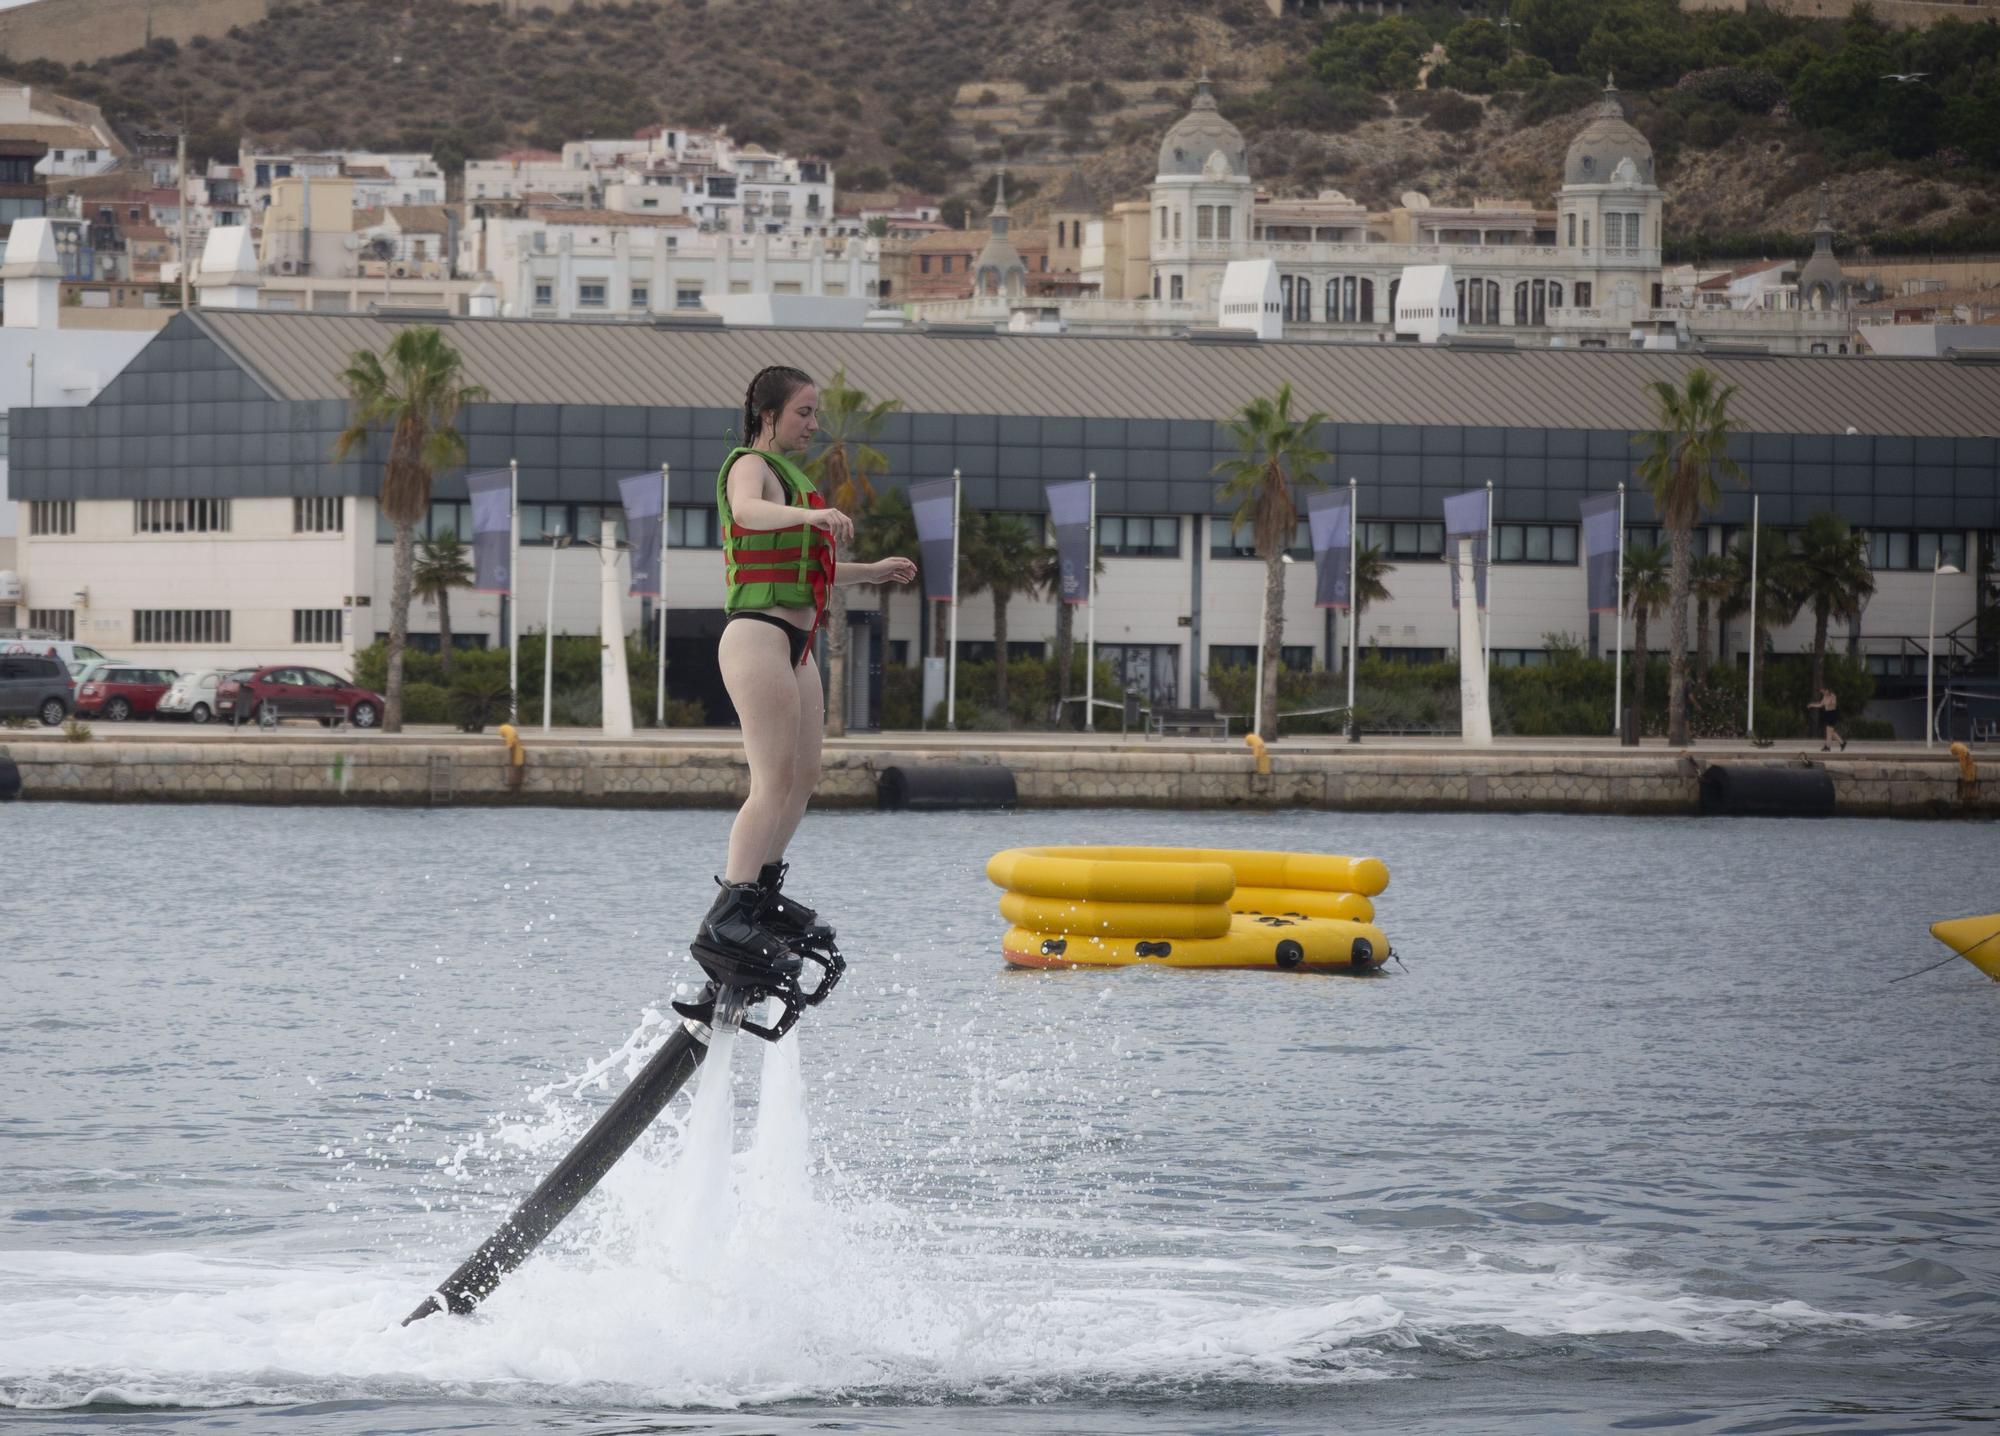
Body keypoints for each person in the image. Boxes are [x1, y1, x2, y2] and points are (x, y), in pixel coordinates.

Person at [689, 365, 917, 991]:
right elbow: (748, 513)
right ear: (769, 415)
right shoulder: (750, 465)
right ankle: (728, 915)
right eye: (805, 413)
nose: (814, 425)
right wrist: (813, 520)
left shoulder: (797, 480)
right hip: (758, 633)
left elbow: (809, 568)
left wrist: (870, 571)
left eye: (815, 414)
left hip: (797, 643)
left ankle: (759, 898)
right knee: (770, 779)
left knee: (805, 775)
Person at [1808, 685, 1845, 752]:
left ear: (1827, 690)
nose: (1822, 692)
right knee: (1830, 732)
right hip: (1827, 714)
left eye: (1823, 691)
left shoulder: (1833, 696)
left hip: (1832, 714)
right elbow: (1821, 705)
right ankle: (1841, 743)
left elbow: (1834, 704)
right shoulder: (1824, 696)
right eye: (1821, 691)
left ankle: (1828, 746)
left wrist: (1829, 703)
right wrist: (1812, 705)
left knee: (1829, 732)